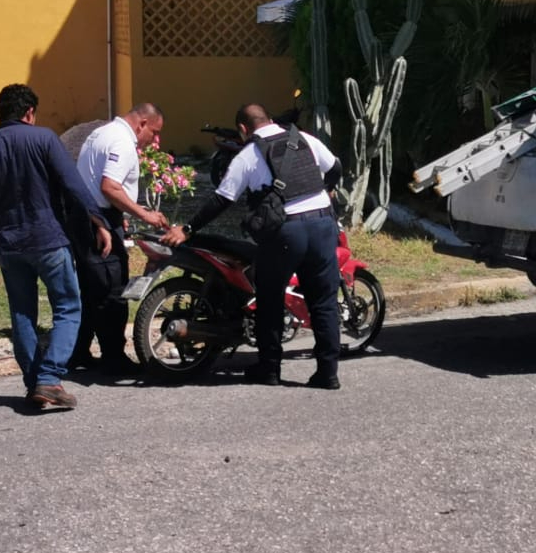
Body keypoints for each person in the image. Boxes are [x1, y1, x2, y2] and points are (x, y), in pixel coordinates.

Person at [160, 103, 344, 389]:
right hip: (322, 225)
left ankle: (269, 369)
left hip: (286, 232)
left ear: (243, 129)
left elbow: (222, 199)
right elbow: (335, 168)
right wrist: (327, 192)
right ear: (270, 120)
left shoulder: (249, 153)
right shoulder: (305, 138)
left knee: (269, 299)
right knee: (323, 301)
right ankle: (327, 373)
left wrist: (188, 228)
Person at [0, 84, 112, 409]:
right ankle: (49, 379)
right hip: (49, 241)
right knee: (68, 308)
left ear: (1, 111)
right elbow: (72, 184)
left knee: (22, 314)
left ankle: (34, 383)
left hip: (9, 247)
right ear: (30, 112)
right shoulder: (44, 139)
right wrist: (99, 222)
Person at [73, 103, 168, 373]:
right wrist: (144, 214)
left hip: (89, 216)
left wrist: (122, 212)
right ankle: (113, 357)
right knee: (111, 291)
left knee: (91, 291)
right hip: (98, 222)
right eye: (155, 132)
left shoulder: (101, 133)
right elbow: (109, 186)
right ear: (142, 124)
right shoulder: (123, 143)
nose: (156, 140)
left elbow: (96, 183)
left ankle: (78, 352)